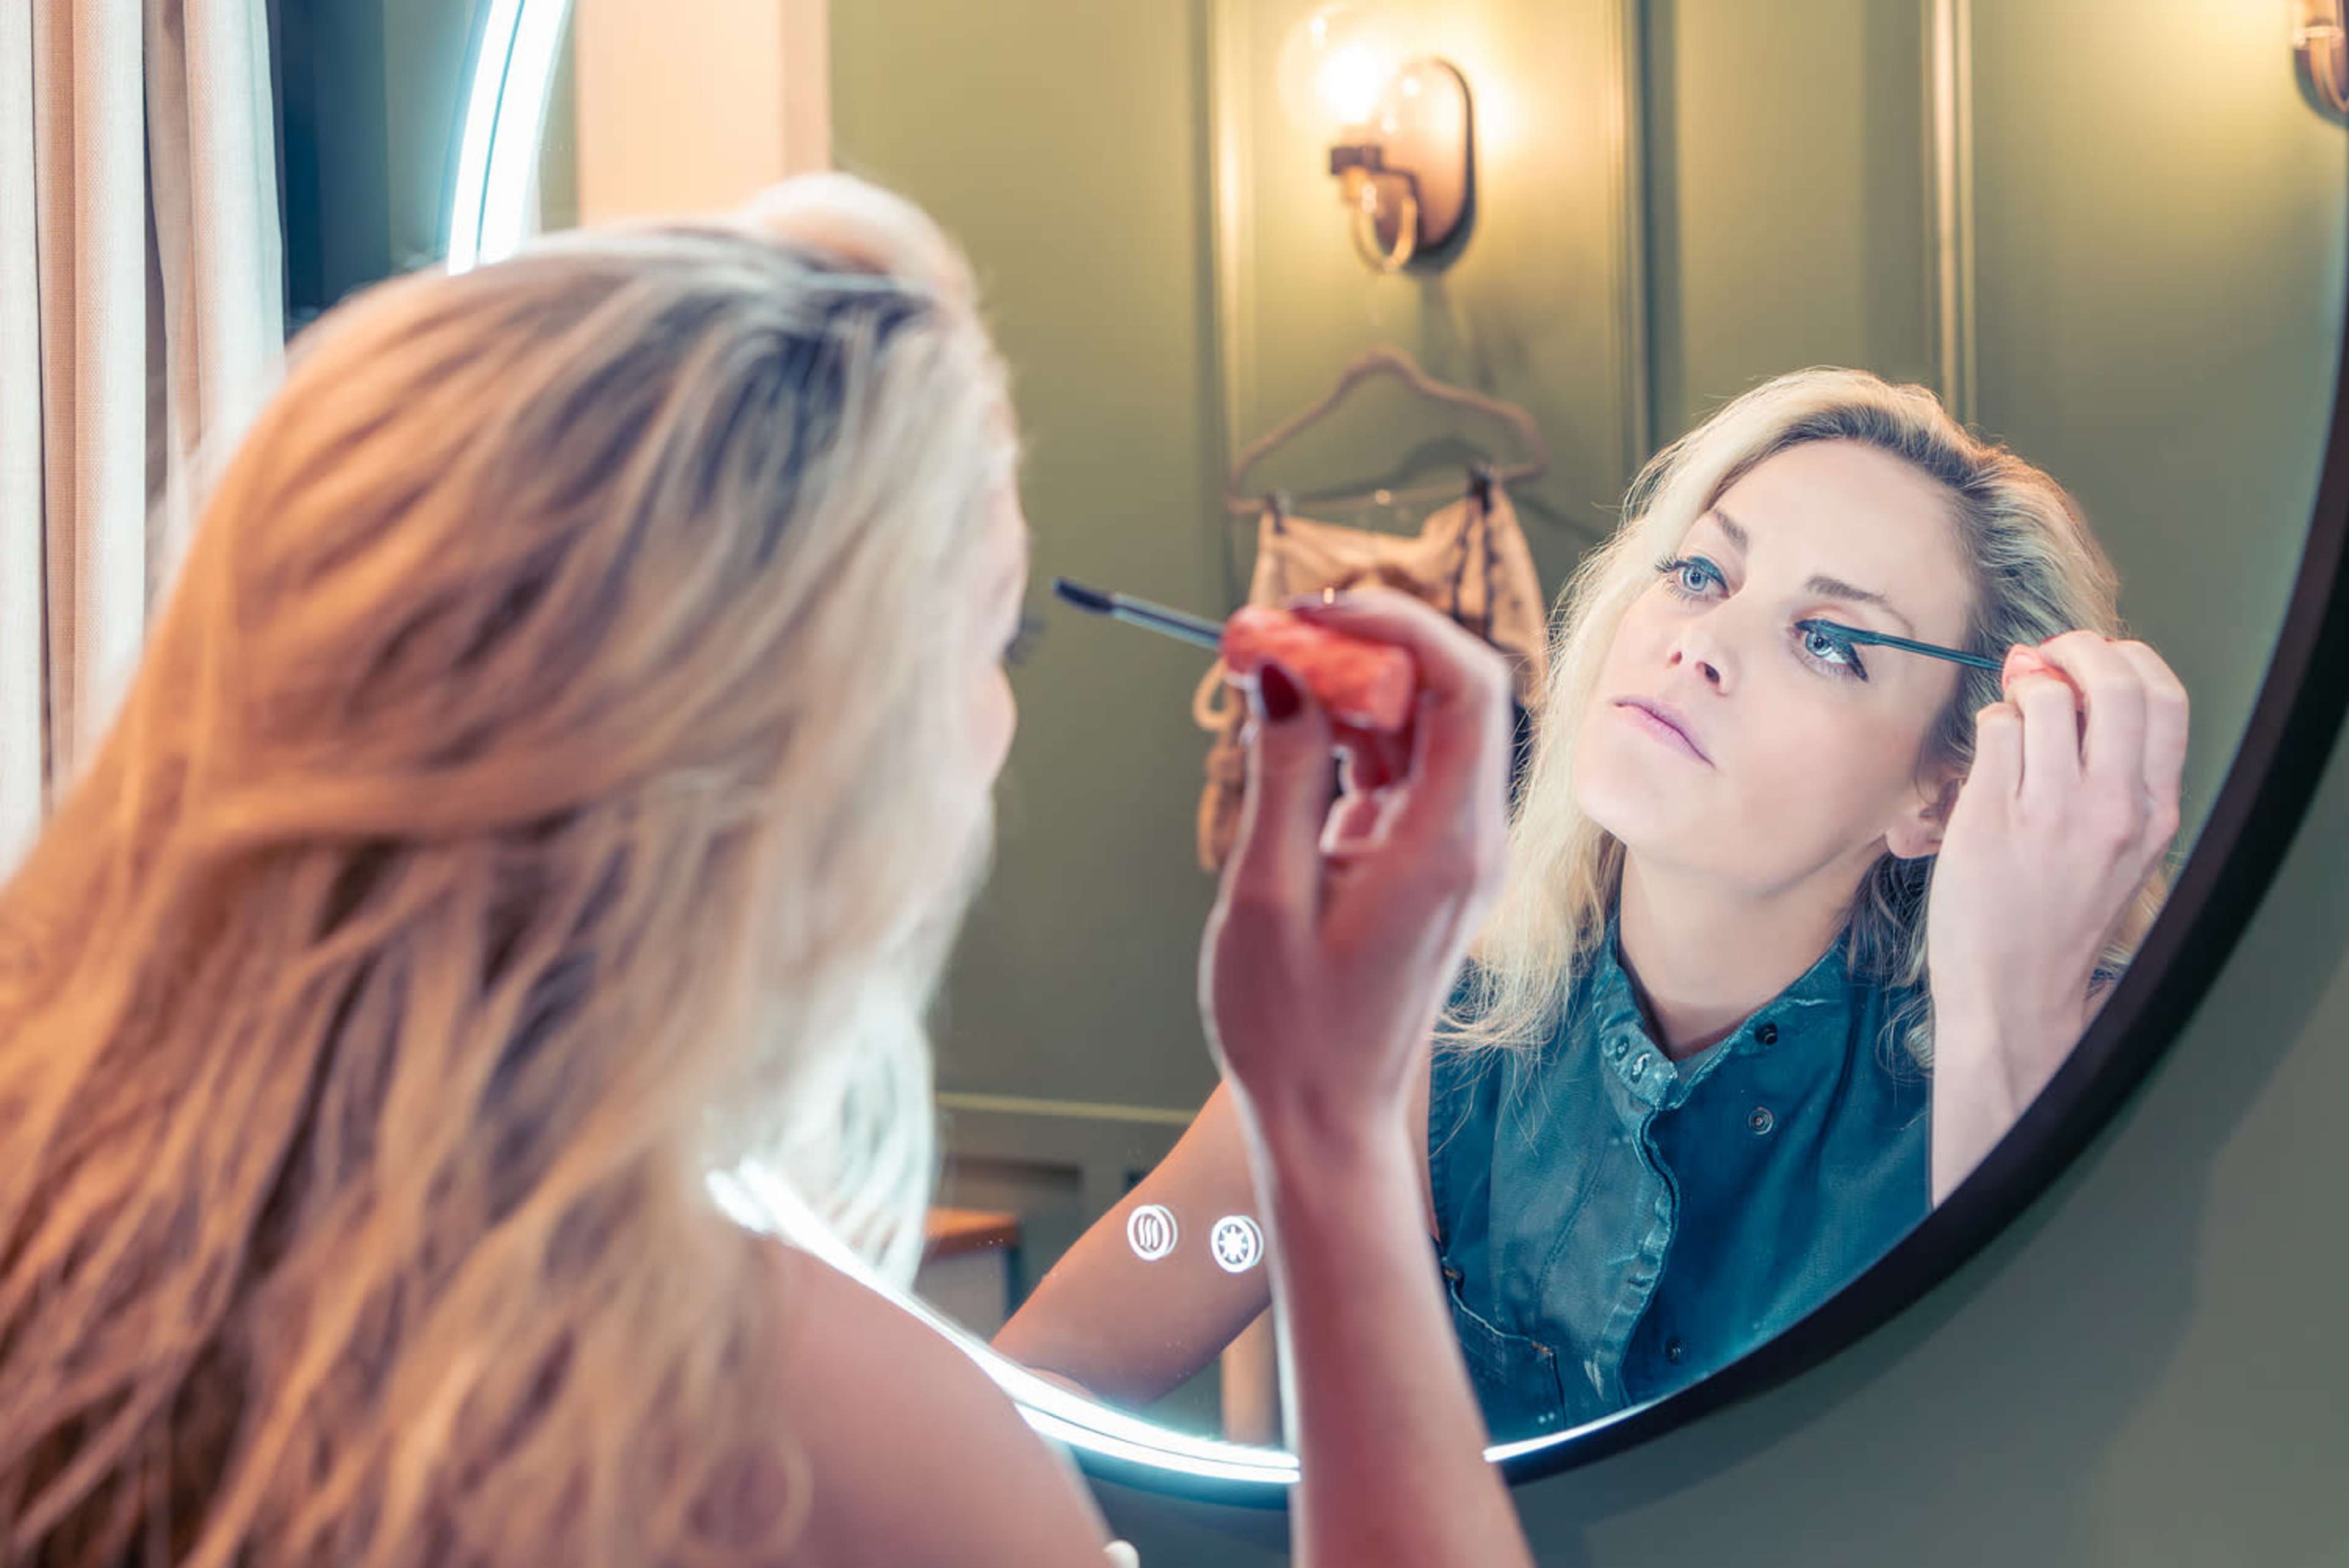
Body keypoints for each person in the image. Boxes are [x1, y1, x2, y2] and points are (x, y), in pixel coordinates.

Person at [0, 176, 1540, 1566]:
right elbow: (1069, 1359)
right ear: (807, 750)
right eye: (999, 638)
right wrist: (1332, 1133)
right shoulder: (809, 1443)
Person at [995, 368, 2189, 1438]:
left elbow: (2037, 1483)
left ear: (1944, 791)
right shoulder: (1420, 1017)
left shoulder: (2052, 1048)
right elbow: (1048, 1385)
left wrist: (2006, 1033)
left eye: (1828, 639)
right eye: (1701, 573)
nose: (1702, 642)